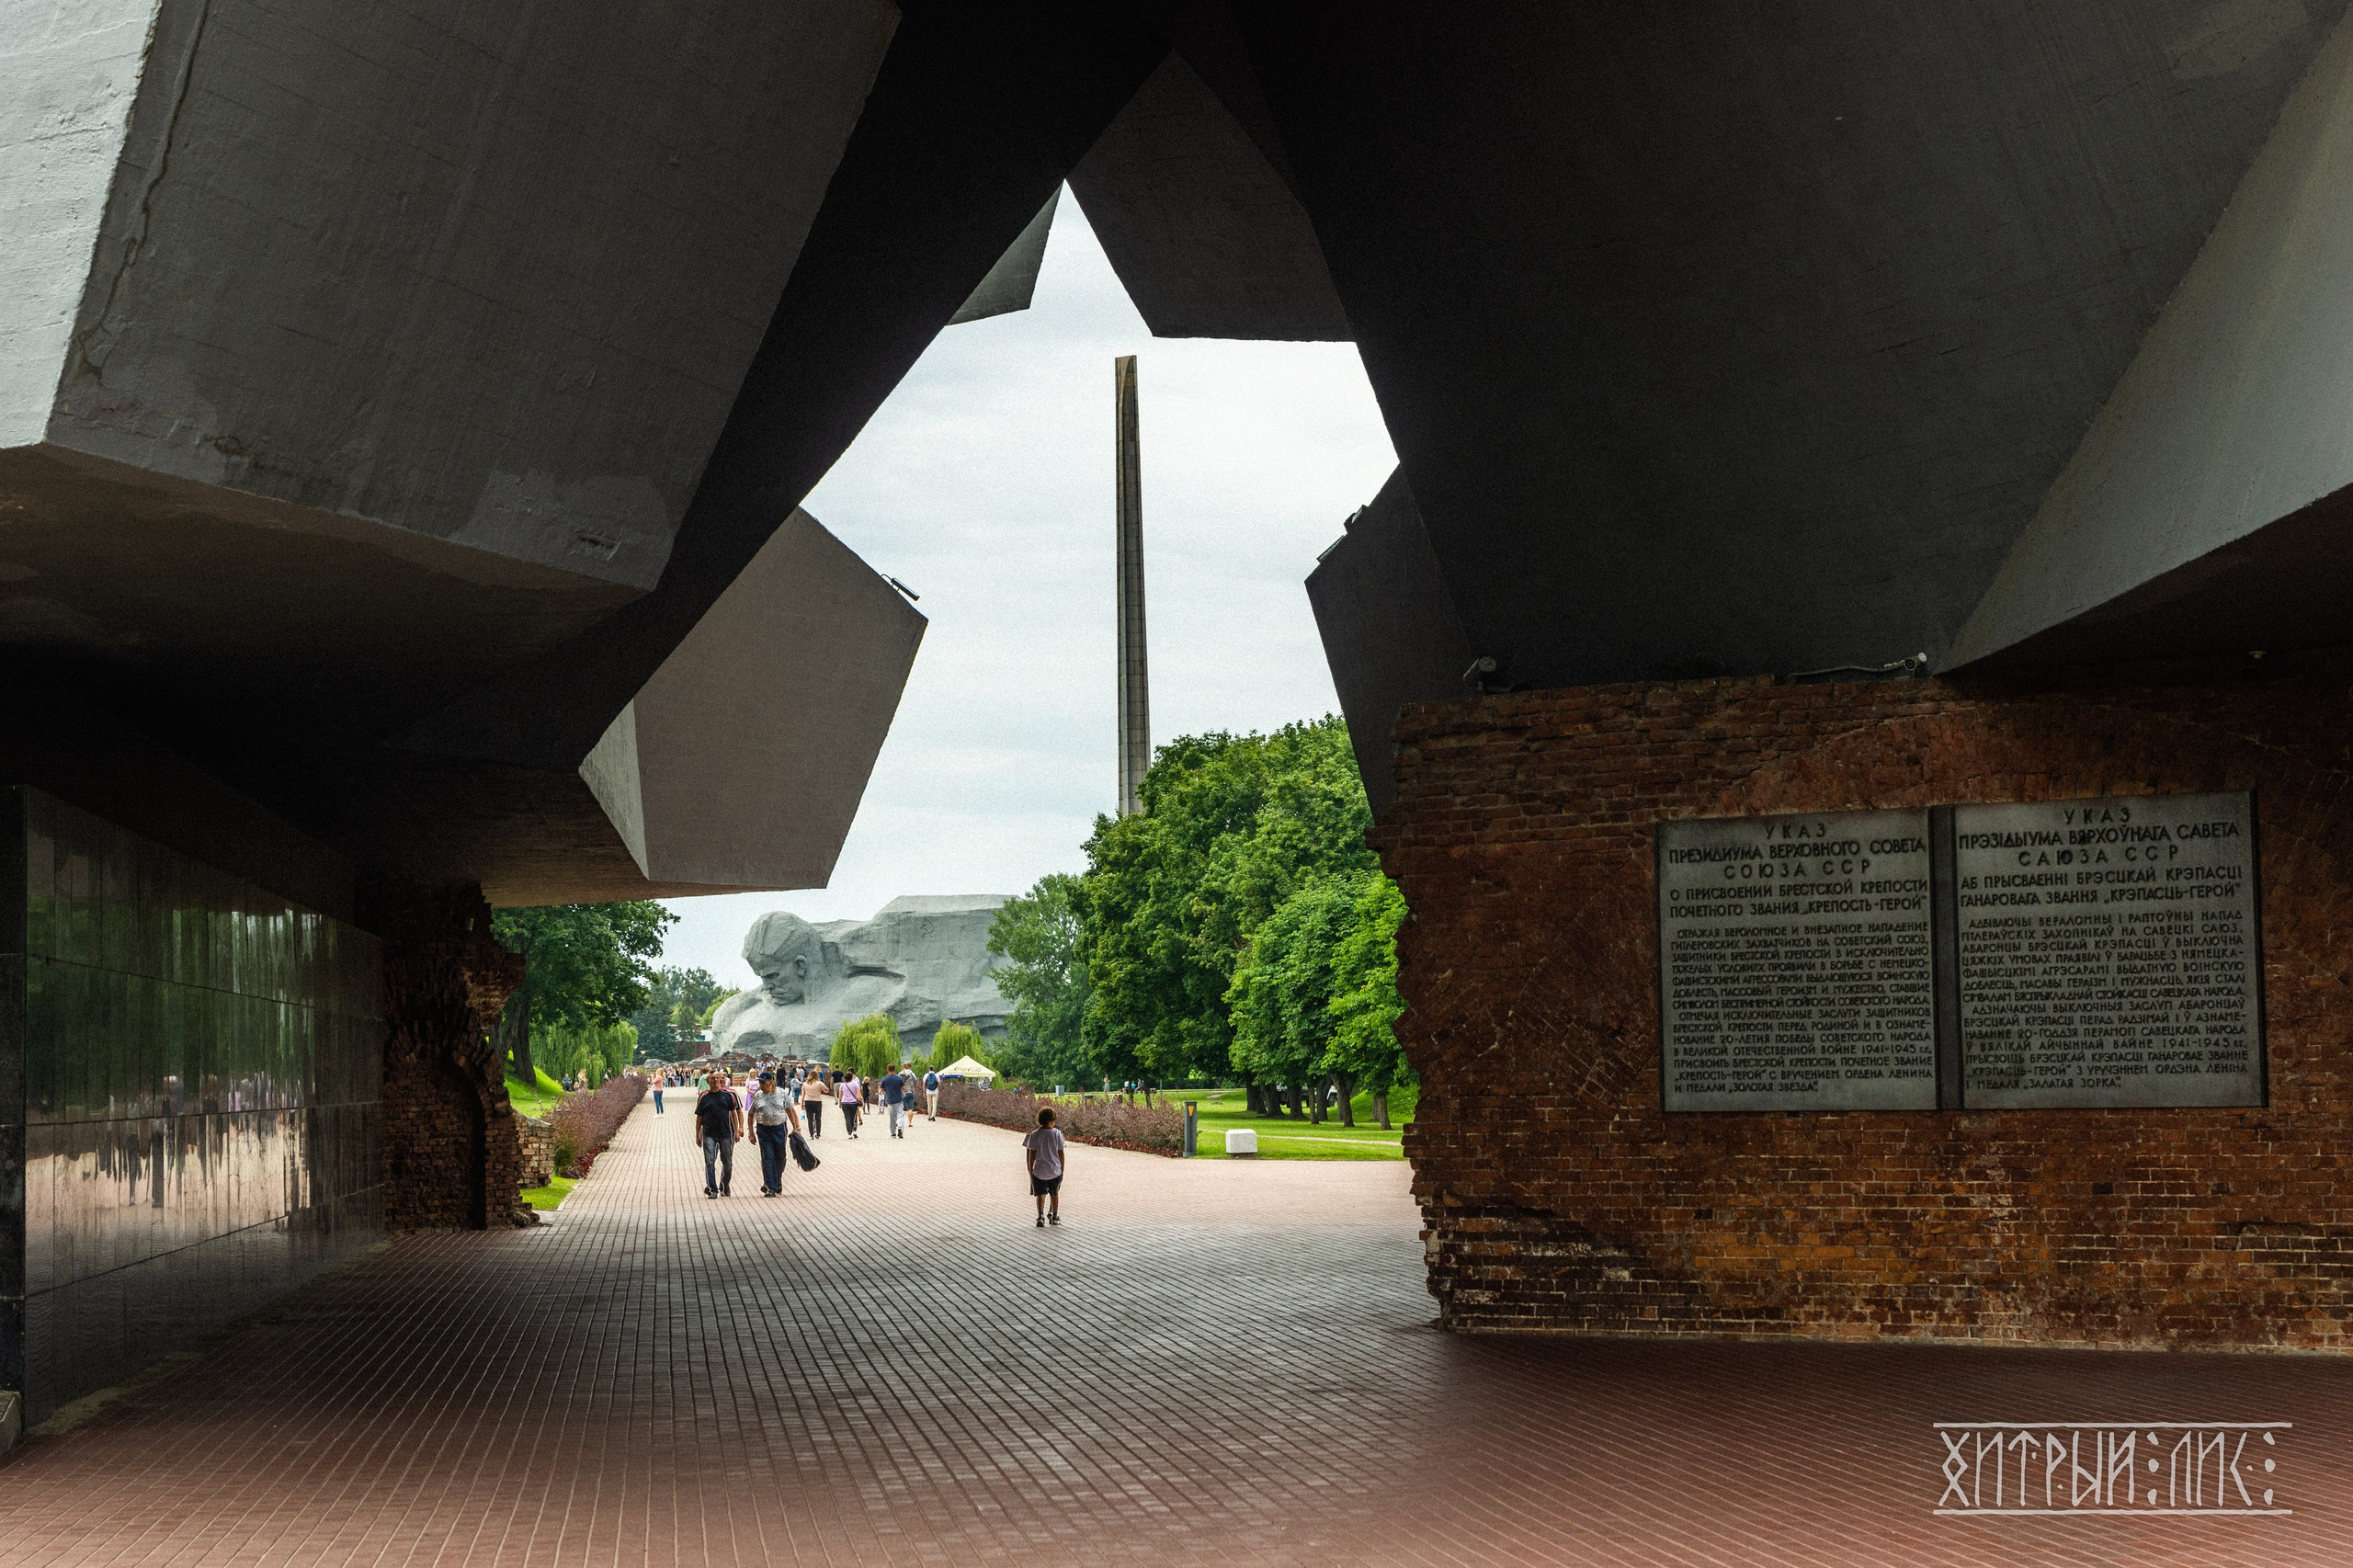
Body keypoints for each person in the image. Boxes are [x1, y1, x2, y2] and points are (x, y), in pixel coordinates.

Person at [748, 1071, 801, 1196]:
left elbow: (790, 1111)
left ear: (771, 1082)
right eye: (759, 1082)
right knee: (767, 1157)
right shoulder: (758, 1095)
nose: (760, 1085)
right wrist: (751, 1132)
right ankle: (770, 1187)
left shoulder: (782, 1093)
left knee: (780, 1157)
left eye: (763, 1082)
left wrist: (796, 1127)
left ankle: (777, 1181)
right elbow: (751, 1114)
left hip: (779, 1129)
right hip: (763, 1129)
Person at [694, 1071, 743, 1198]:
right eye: (713, 1079)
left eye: (718, 1078)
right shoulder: (704, 1097)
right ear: (708, 1082)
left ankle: (724, 1184)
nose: (716, 1080)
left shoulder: (728, 1096)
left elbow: (734, 1113)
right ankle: (713, 1189)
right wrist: (697, 1134)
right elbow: (699, 1117)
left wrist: (737, 1130)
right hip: (709, 1133)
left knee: (727, 1162)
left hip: (726, 1133)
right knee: (710, 1162)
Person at [1024, 1107, 1066, 1227]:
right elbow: (1061, 1152)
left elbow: (1031, 1154)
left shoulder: (1034, 1135)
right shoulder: (1057, 1134)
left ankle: (1040, 1216)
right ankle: (1055, 1215)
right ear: (1053, 1120)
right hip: (1054, 1170)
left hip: (1039, 1171)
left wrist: (1030, 1169)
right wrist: (1062, 1169)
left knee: (1041, 1194)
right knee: (1054, 1193)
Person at [801, 1067, 828, 1138]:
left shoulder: (805, 1084)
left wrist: (802, 1104)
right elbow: (827, 1090)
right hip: (817, 1101)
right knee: (818, 1118)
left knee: (810, 1119)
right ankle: (818, 1133)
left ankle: (811, 1134)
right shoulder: (819, 1083)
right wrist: (822, 1091)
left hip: (808, 1101)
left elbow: (803, 1095)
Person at [881, 1065, 907, 1139]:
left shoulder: (885, 1079)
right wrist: (906, 1090)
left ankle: (893, 1133)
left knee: (892, 1117)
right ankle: (900, 1127)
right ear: (895, 1069)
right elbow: (904, 1088)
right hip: (898, 1099)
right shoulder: (899, 1078)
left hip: (890, 1100)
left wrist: (886, 1091)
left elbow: (881, 1090)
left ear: (887, 1069)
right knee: (900, 1115)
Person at [838, 1072, 863, 1138]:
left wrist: (840, 1102)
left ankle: (849, 1133)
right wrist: (862, 1101)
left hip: (845, 1103)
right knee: (852, 1118)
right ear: (851, 1078)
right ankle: (851, 1131)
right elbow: (858, 1094)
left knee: (847, 1117)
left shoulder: (842, 1085)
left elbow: (840, 1095)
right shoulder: (855, 1084)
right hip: (853, 1103)